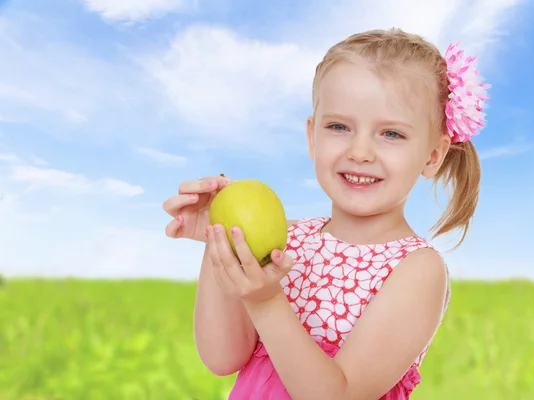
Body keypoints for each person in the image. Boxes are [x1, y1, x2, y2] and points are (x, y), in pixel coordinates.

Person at [162, 28, 490, 400]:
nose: (360, 151)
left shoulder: (417, 270)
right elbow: (222, 357)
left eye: (391, 134)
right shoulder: (286, 240)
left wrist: (268, 301)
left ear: (432, 156)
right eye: (339, 127)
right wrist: (220, 238)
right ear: (313, 137)